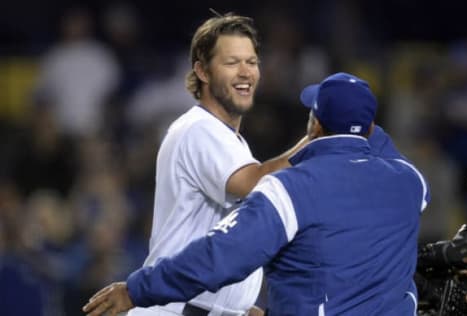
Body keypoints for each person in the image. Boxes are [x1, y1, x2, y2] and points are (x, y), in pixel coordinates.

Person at [83, 72, 430, 316]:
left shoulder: (290, 190)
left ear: (314, 125)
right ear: (371, 127)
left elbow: (218, 256)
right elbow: (377, 144)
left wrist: (136, 290)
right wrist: (359, 124)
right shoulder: (410, 182)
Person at [86, 12, 308, 316]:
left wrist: (239, 307)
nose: (246, 72)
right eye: (232, 63)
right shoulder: (199, 129)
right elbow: (256, 183)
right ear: (202, 71)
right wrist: (318, 137)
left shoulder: (231, 143)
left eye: (252, 62)